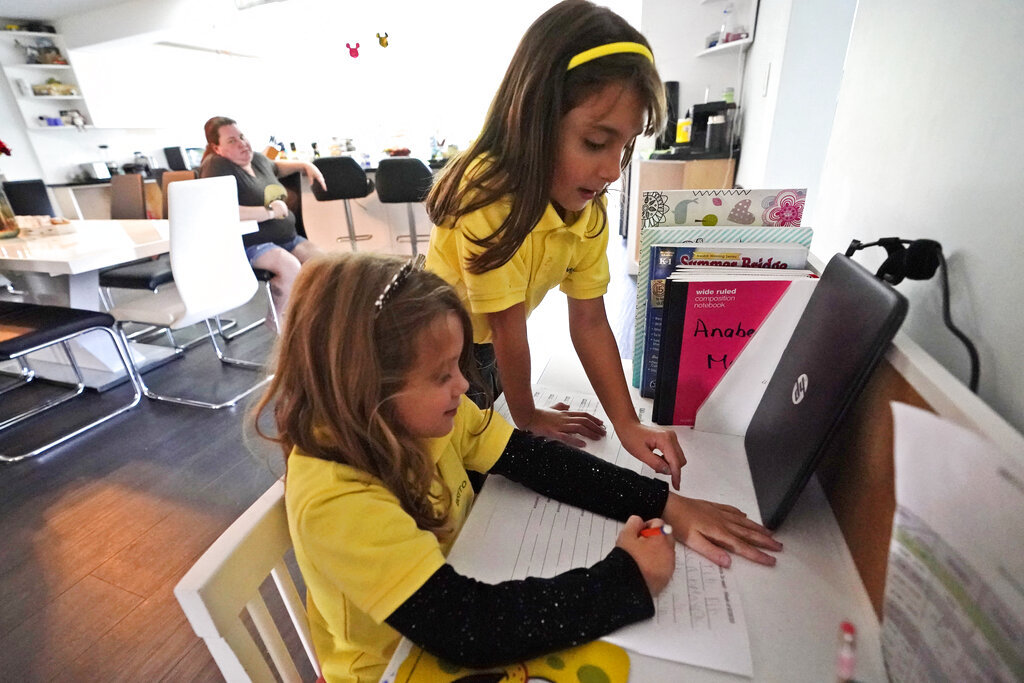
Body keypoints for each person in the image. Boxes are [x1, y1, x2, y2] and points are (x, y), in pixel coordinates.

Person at [253, 252, 781, 683]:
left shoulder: (418, 421)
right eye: (442, 376)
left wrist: (666, 503)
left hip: (448, 595)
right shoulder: (337, 500)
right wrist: (626, 579)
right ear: (368, 392)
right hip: (388, 666)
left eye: (457, 367)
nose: (463, 386)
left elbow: (532, 459)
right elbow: (466, 627)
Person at [425, 0, 686, 488]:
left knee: (492, 466)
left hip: (486, 351)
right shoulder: (487, 196)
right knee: (456, 477)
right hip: (438, 356)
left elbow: (588, 320)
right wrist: (527, 416)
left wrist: (627, 424)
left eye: (624, 147)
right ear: (533, 119)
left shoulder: (587, 208)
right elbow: (506, 331)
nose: (612, 170)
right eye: (594, 143)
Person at [199, 116, 326, 327]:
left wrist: (305, 164)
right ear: (217, 147)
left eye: (242, 136)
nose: (242, 143)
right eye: (231, 141)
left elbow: (277, 166)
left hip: (286, 238)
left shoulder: (256, 160)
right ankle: (276, 319)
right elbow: (219, 209)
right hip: (249, 243)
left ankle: (306, 317)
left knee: (324, 263)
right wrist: (268, 212)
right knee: (289, 266)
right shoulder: (217, 165)